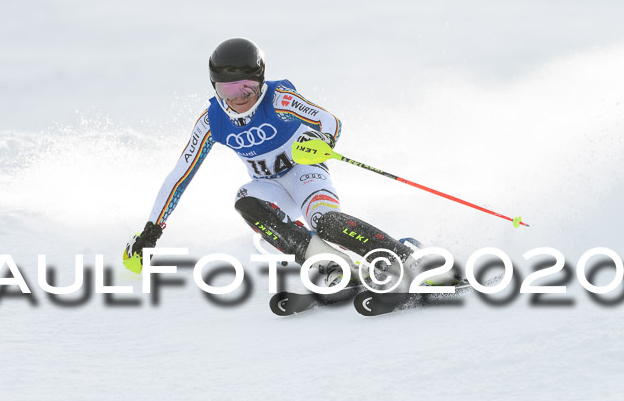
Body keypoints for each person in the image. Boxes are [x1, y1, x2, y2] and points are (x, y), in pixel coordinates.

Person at [124, 38, 458, 289]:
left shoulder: (279, 99)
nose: (239, 97)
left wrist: (322, 142)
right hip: (269, 186)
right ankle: (334, 265)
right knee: (246, 202)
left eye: (247, 87)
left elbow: (328, 121)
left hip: (305, 173)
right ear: (215, 87)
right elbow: (179, 176)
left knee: (325, 221)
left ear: (261, 80)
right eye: (227, 89)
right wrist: (152, 229)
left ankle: (407, 258)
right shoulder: (211, 122)